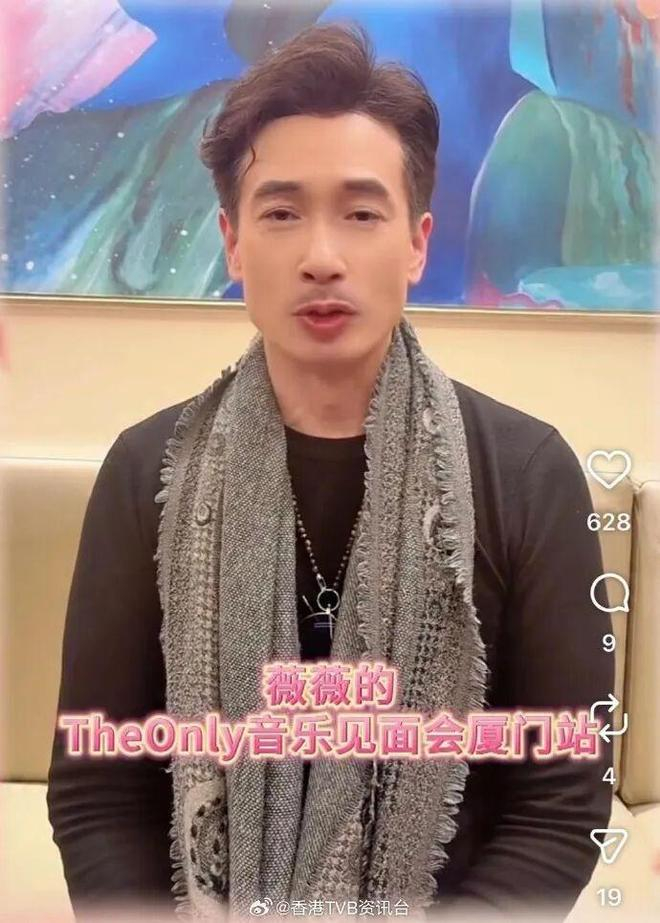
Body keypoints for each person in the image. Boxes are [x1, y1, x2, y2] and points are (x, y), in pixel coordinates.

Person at [47, 21, 614, 922]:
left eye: (360, 212)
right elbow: (98, 790)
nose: (322, 255)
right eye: (281, 213)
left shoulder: (528, 473)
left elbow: (560, 803)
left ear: (417, 243)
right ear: (233, 244)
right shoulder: (144, 472)